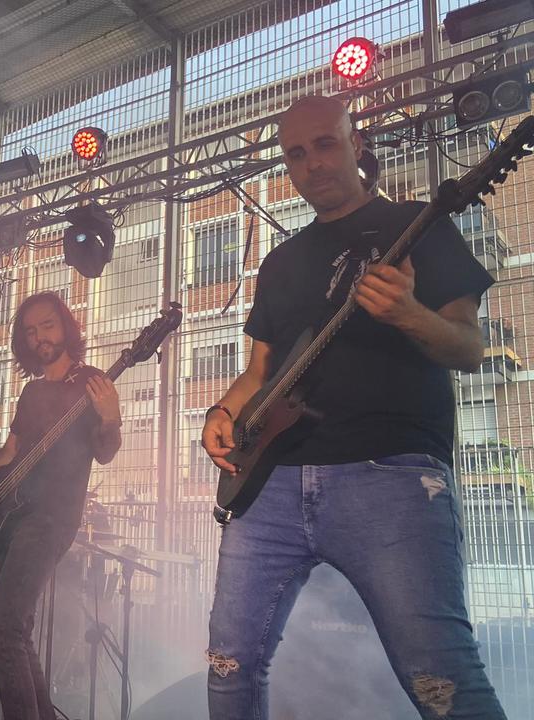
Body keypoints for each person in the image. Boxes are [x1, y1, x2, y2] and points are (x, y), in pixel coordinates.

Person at [201, 95, 506, 719]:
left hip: (390, 476)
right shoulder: (280, 262)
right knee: (229, 666)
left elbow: (470, 349)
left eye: (325, 144)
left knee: (440, 679)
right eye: (295, 153)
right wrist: (220, 415)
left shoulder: (418, 223)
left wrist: (407, 314)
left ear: (356, 143)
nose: (312, 163)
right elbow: (258, 373)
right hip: (270, 485)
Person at [0, 291, 123, 720]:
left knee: (1, 631)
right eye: (31, 331)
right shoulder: (32, 392)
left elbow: (106, 452)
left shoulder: (92, 382)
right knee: (16, 631)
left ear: (66, 326)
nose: (40, 337)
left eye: (47, 325)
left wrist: (111, 416)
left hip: (51, 519)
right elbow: (11, 451)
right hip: (11, 516)